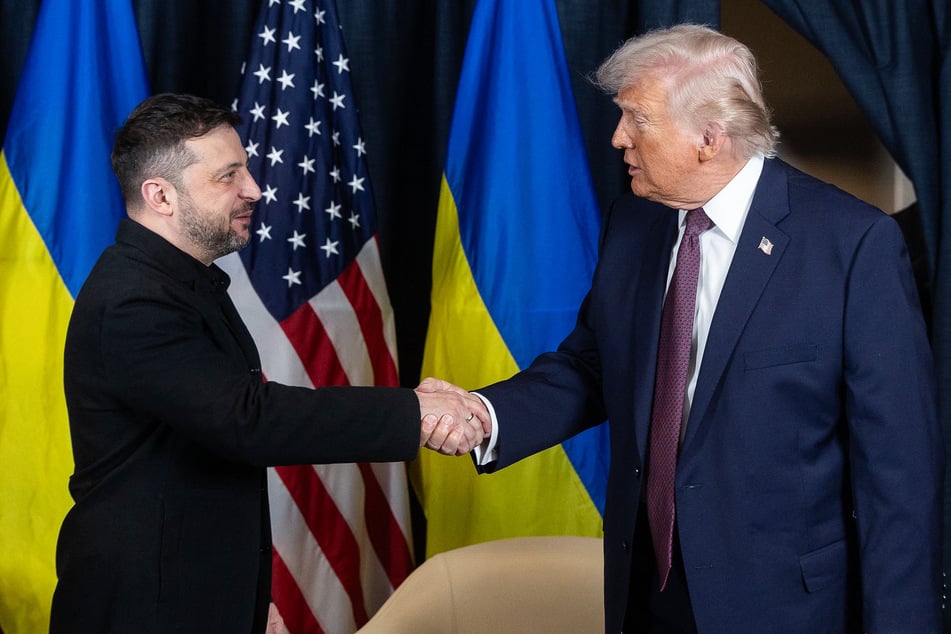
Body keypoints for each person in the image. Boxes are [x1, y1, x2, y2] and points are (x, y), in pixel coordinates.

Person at [420, 24, 944, 633]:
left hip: (783, 607)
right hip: (646, 592)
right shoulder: (633, 224)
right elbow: (593, 366)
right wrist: (486, 415)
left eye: (637, 119)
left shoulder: (852, 245)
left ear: (709, 138)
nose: (618, 137)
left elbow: (899, 477)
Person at [49, 93, 488, 634]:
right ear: (160, 195)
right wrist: (414, 412)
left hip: (197, 597)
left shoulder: (182, 282)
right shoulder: (133, 300)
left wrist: (248, 600)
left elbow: (200, 461)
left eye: (247, 169)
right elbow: (248, 420)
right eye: (228, 176)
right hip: (142, 610)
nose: (254, 189)